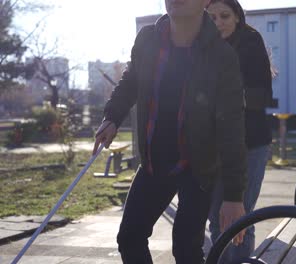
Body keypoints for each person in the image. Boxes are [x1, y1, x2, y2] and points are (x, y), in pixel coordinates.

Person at [92, 0, 248, 263]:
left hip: (197, 168)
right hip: (154, 163)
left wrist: (234, 195)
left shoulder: (222, 56)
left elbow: (231, 127)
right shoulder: (148, 40)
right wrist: (112, 117)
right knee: (130, 237)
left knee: (186, 249)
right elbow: (131, 81)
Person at [207, 0, 273, 262]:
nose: (218, 22)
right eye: (211, 17)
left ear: (237, 17)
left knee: (238, 215)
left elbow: (261, 97)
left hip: (251, 142)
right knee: (216, 217)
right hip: (214, 145)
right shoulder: (201, 46)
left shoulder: (250, 43)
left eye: (224, 16)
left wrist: (222, 97)